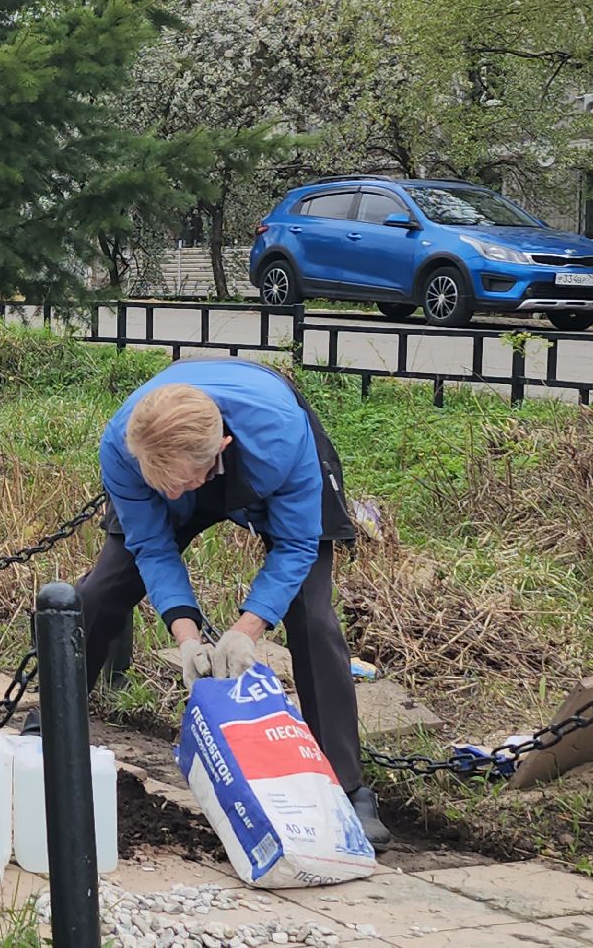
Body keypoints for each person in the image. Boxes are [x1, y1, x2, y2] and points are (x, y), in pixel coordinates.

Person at [76, 356, 391, 847]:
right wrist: (185, 632)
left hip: (271, 452)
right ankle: (52, 724)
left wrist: (248, 628)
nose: (176, 494)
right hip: (167, 456)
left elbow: (296, 546)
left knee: (311, 615)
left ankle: (348, 790)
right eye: (166, 487)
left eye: (184, 484)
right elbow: (151, 546)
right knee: (99, 591)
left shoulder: (281, 439)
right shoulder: (125, 447)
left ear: (220, 449)